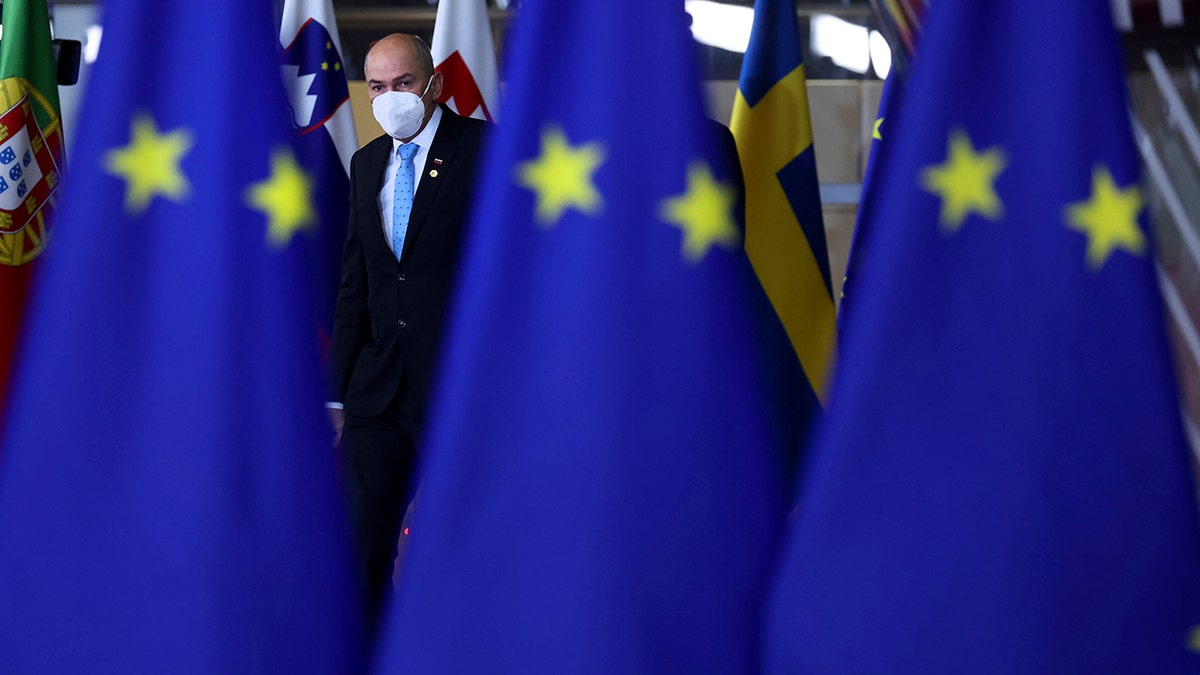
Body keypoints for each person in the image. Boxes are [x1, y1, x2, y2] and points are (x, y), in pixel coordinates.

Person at [326, 33, 488, 634]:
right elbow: (356, 284)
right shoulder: (366, 162)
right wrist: (335, 392)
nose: (390, 98)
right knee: (360, 545)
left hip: (459, 392)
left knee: (464, 547)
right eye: (376, 87)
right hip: (378, 392)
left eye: (403, 84)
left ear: (434, 84)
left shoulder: (485, 152)